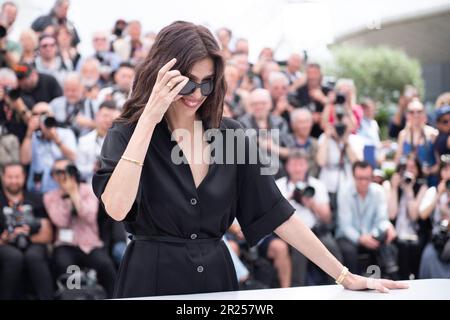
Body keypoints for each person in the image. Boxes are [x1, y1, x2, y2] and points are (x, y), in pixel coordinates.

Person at [92, 21, 407, 298]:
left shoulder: (231, 135)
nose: (197, 93)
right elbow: (117, 208)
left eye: (207, 82)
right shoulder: (125, 133)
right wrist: (149, 117)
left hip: (217, 280)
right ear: (162, 74)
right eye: (187, 81)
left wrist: (344, 275)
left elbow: (277, 212)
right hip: (150, 281)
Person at [44, 159, 116, 298]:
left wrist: (74, 194)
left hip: (90, 244)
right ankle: (74, 296)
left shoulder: (88, 190)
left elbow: (89, 216)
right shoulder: (50, 197)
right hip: (66, 245)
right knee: (66, 266)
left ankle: (114, 296)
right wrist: (66, 197)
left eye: (66, 170)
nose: (63, 175)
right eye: (58, 172)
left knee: (105, 265)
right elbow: (61, 221)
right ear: (53, 176)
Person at [276, 149, 342, 286]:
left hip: (316, 230)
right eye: (294, 164)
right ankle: (297, 292)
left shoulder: (317, 185)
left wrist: (311, 204)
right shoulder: (279, 185)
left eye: (301, 164)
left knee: (332, 248)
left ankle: (338, 287)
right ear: (287, 166)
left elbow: (327, 217)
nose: (298, 168)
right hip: (290, 233)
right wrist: (289, 199)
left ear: (306, 166)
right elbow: (274, 215)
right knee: (299, 253)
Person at [0, 162, 54, 300]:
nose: (14, 181)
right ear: (3, 177)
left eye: (17, 177)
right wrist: (5, 238)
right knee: (13, 257)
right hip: (5, 245)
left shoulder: (35, 199)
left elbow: (48, 234)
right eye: (10, 177)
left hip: (33, 241)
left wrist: (28, 233)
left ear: (24, 177)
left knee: (34, 256)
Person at [336, 161, 398, 277]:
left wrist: (376, 233)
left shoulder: (378, 191)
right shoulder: (344, 192)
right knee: (349, 251)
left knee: (390, 241)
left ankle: (389, 279)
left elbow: (382, 219)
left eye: (367, 178)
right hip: (349, 237)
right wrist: (361, 238)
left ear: (372, 177)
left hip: (372, 234)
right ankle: (351, 283)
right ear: (353, 177)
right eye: (360, 178)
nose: (364, 182)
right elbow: (345, 226)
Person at [20, 102, 77, 193]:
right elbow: (24, 160)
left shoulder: (65, 133)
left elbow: (74, 157)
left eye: (44, 113)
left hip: (61, 191)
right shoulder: (31, 136)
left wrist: (56, 140)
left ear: (52, 115)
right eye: (35, 114)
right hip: (37, 190)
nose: (40, 117)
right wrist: (29, 133)